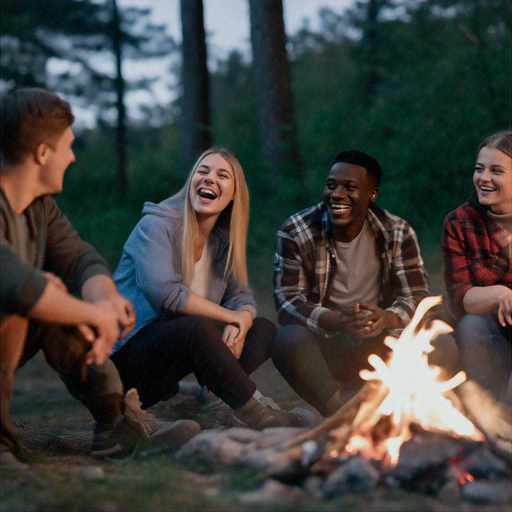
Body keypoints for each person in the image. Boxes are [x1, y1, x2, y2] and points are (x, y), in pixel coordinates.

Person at [0, 88, 199, 470]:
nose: (72, 156)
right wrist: (80, 309)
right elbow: (15, 284)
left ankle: (115, 426)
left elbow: (79, 258)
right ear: (42, 153)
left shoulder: (38, 205)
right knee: (34, 300)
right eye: (68, 146)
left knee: (63, 303)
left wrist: (104, 302)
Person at [110, 147, 314, 429]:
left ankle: (216, 400)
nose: (209, 179)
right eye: (202, 171)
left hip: (173, 359)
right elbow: (163, 292)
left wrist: (241, 319)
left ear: (233, 195)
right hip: (124, 366)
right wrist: (228, 316)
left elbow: (242, 297)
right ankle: (255, 411)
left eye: (222, 175)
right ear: (191, 182)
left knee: (262, 329)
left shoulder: (221, 243)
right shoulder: (157, 226)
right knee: (198, 327)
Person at [272, 149, 430, 417]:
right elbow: (287, 301)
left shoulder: (398, 231)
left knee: (441, 343)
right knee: (287, 339)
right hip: (326, 343)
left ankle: (381, 404)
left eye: (350, 187)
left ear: (372, 194)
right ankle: (339, 411)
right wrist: (338, 320)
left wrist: (387, 318)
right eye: (331, 185)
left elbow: (417, 296)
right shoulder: (296, 231)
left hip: (379, 344)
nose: (336, 194)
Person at [442, 130, 512, 405]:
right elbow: (461, 297)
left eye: (496, 170)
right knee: (470, 326)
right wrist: (502, 295)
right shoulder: (459, 222)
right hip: (492, 325)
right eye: (479, 168)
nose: (483, 178)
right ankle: (490, 416)